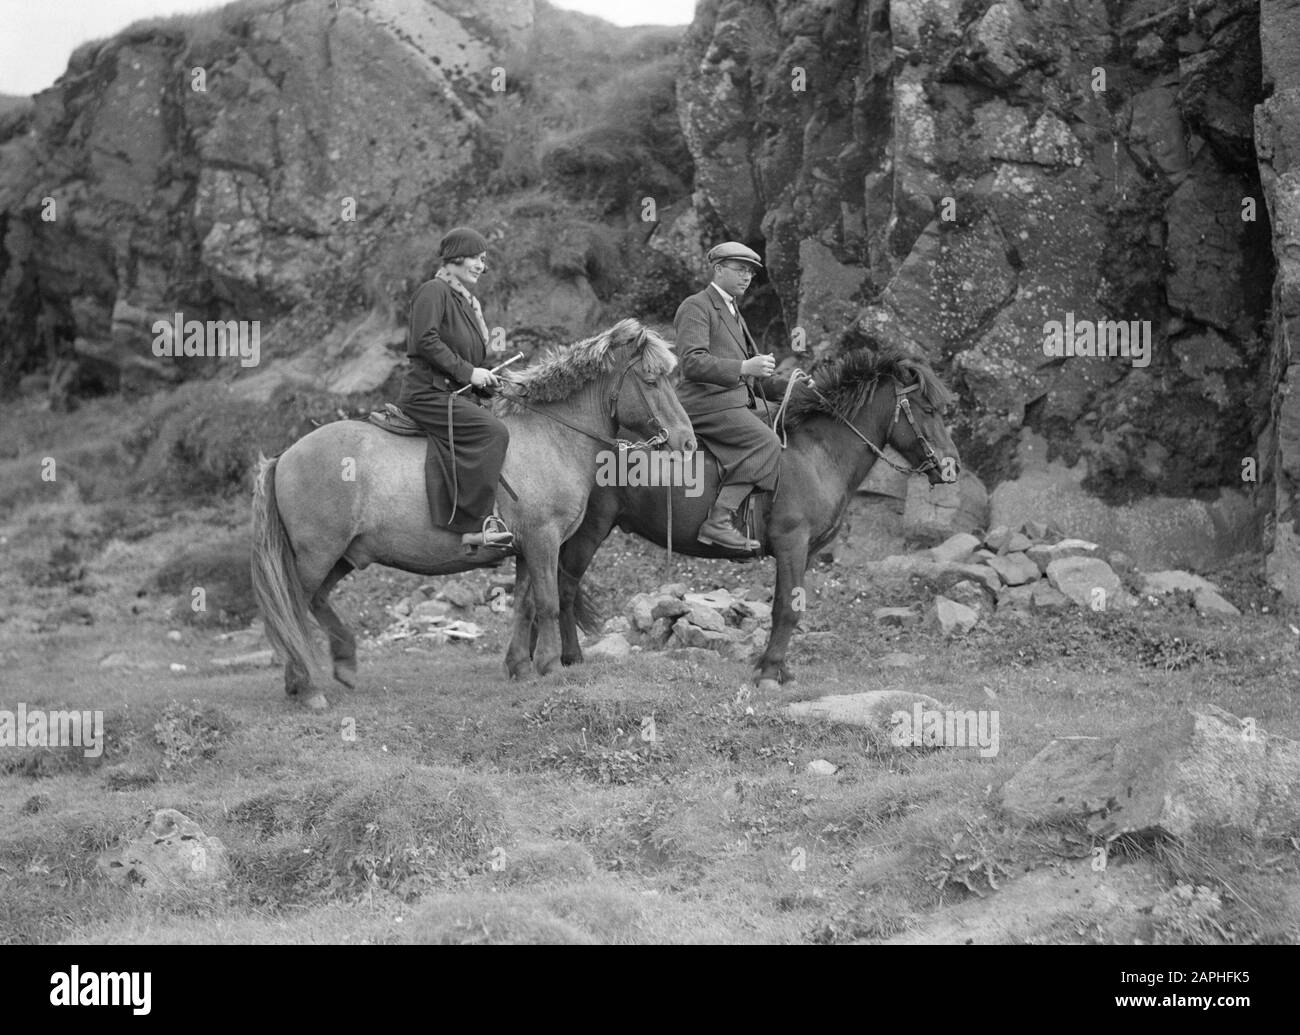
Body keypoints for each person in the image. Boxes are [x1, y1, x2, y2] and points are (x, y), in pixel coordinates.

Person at [396, 226, 513, 549]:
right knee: (493, 432)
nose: (480, 265)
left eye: (484, 259)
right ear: (455, 259)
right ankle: (473, 525)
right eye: (475, 257)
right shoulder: (433, 291)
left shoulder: (464, 301)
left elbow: (464, 358)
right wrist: (468, 372)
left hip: (451, 390)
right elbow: (425, 340)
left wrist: (485, 379)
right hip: (427, 393)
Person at [673, 242, 788, 551]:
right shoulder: (696, 306)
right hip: (703, 403)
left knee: (786, 420)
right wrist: (743, 366)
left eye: (750, 272)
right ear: (719, 269)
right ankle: (719, 521)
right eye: (740, 270)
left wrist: (792, 385)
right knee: (767, 442)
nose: (747, 277)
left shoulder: (734, 310)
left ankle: (765, 522)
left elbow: (746, 371)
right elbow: (692, 362)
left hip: (732, 400)